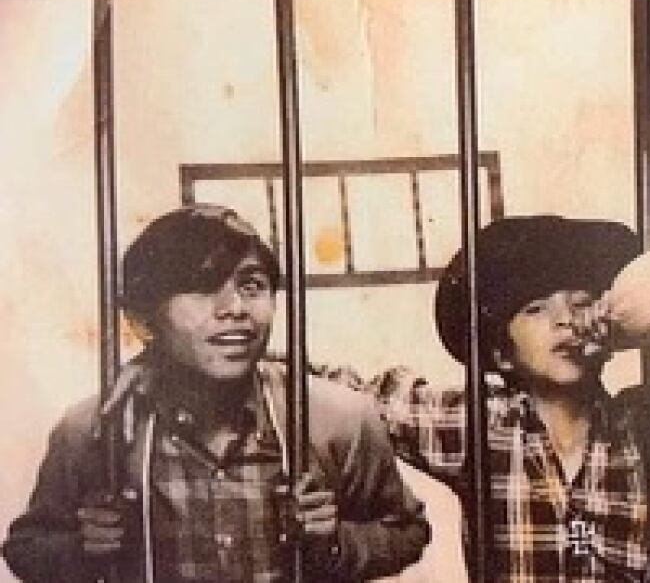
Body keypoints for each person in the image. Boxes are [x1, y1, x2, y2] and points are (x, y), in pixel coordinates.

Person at [2, 204, 430, 583]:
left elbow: (407, 531)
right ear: (142, 319)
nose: (235, 308)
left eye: (252, 284)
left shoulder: (333, 420)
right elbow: (26, 547)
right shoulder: (94, 429)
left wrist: (335, 542)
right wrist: (82, 550)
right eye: (205, 286)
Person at [382, 215, 650, 582]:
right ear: (501, 353)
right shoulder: (479, 426)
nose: (565, 319)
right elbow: (357, 401)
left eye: (582, 302)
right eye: (536, 310)